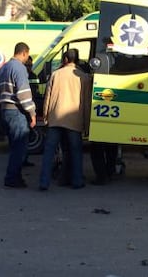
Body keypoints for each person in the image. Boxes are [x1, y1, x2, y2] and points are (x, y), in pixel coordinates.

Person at [39, 49, 92, 190]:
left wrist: (45, 117)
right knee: (75, 152)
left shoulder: (55, 74)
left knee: (49, 152)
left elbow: (47, 98)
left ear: (65, 59)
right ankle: (77, 181)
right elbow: (86, 103)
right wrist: (86, 124)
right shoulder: (84, 77)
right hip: (74, 121)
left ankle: (44, 182)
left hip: (55, 119)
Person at [0, 42, 36, 188]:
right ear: (24, 53)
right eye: (27, 55)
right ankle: (12, 178)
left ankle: (15, 176)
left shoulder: (3, 68)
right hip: (16, 111)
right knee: (19, 147)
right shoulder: (20, 68)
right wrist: (32, 113)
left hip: (4, 109)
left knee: (14, 145)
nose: (27, 58)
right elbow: (23, 94)